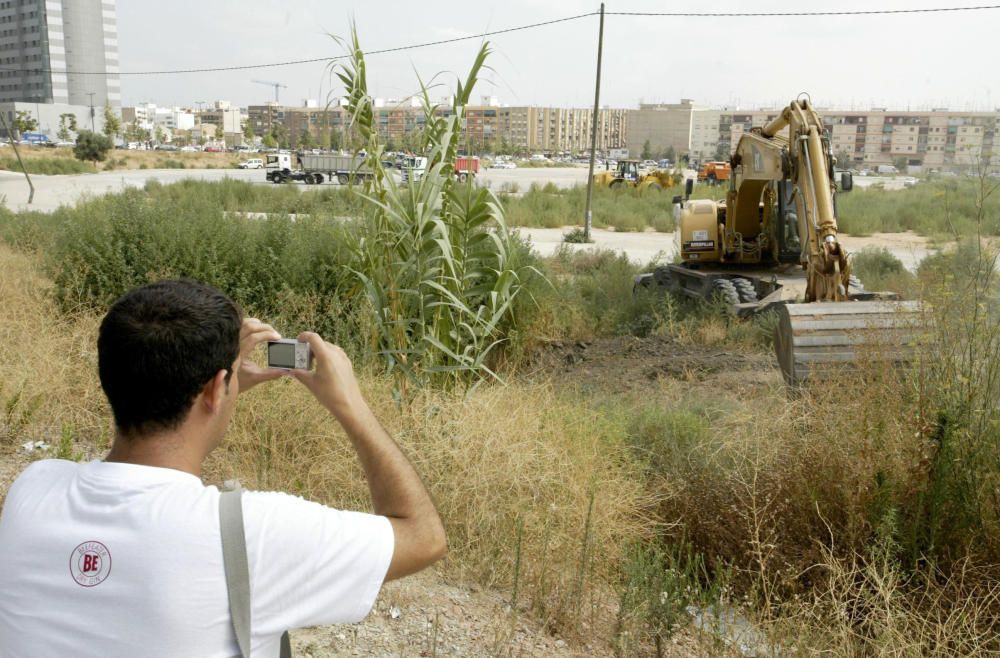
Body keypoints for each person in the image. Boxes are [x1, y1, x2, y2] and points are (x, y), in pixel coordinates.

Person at [0, 279, 447, 657]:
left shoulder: (32, 490)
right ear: (216, 389)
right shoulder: (250, 533)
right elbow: (423, 537)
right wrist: (350, 405)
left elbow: (130, 463)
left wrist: (218, 393)